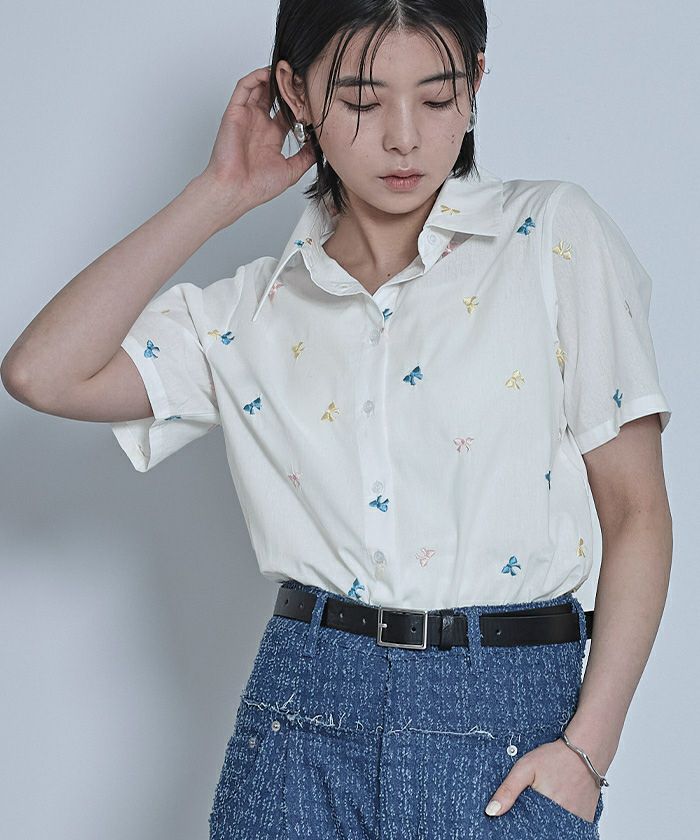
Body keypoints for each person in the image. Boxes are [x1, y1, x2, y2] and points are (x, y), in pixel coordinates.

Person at [1, 2, 673, 838]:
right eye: (361, 100)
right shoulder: (254, 310)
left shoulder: (551, 239)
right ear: (297, 92)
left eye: (437, 97)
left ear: (476, 83)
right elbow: (41, 373)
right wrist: (217, 195)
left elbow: (637, 511)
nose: (404, 137)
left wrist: (587, 750)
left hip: (507, 723)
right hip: (299, 721)